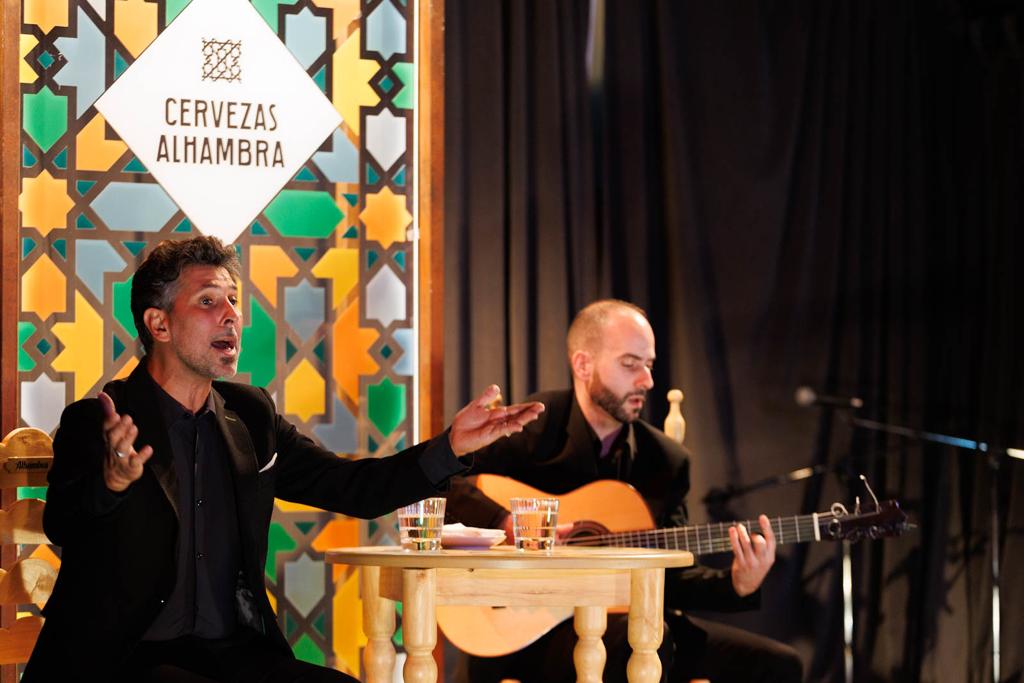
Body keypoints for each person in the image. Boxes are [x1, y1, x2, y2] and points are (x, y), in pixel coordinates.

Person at [23, 236, 544, 683]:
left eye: (233, 300)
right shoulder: (99, 421)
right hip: (124, 661)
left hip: (232, 656)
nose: (231, 315)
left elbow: (352, 488)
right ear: (158, 324)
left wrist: (450, 446)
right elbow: (62, 523)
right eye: (208, 301)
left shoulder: (251, 417)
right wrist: (112, 484)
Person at [445, 299, 803, 683]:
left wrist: (737, 584)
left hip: (633, 627)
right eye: (630, 364)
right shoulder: (532, 427)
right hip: (524, 633)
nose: (647, 381)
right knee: (645, 642)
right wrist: (506, 521)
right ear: (583, 365)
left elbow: (672, 579)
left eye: (649, 365)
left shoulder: (665, 460)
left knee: (777, 665)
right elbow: (444, 484)